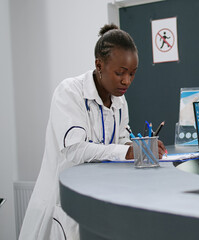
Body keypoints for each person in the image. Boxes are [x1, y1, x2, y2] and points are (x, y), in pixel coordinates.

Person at [19, 24, 166, 240]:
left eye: (132, 74)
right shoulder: (69, 92)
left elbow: (122, 139)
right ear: (99, 65)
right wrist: (126, 152)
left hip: (96, 199)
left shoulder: (120, 100)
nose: (127, 81)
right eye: (120, 73)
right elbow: (75, 150)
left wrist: (141, 146)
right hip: (61, 204)